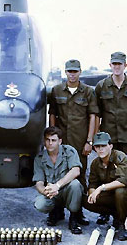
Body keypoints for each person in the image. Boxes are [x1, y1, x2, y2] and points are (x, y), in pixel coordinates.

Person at [48, 59, 99, 225]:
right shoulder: (56, 90)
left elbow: (93, 116)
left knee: (80, 177)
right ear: (65, 72)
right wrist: (53, 140)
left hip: (79, 141)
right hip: (62, 141)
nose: (72, 74)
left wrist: (89, 141)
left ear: (80, 72)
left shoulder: (88, 92)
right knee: (58, 174)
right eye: (69, 71)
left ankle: (76, 214)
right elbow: (52, 115)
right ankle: (57, 211)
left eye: (75, 71)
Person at [83, 132, 127, 241]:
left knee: (120, 192)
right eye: (97, 146)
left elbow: (124, 181)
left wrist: (101, 188)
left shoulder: (120, 157)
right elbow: (93, 183)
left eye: (103, 146)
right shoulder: (95, 163)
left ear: (110, 146)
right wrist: (92, 194)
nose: (100, 149)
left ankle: (124, 223)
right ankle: (114, 214)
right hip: (111, 195)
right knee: (84, 200)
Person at [33, 126, 84, 234]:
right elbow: (39, 182)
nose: (50, 143)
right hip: (52, 193)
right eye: (47, 140)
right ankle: (55, 212)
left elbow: (76, 171)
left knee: (75, 185)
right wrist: (46, 191)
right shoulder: (39, 158)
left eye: (53, 140)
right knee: (40, 203)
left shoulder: (69, 151)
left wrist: (58, 185)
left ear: (60, 141)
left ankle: (74, 217)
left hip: (66, 191)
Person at [95, 51, 127, 162]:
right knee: (107, 168)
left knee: (126, 169)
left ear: (125, 65)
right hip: (107, 137)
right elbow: (97, 114)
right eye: (114, 64)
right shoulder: (101, 86)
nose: (117, 67)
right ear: (110, 65)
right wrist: (95, 136)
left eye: (119, 64)